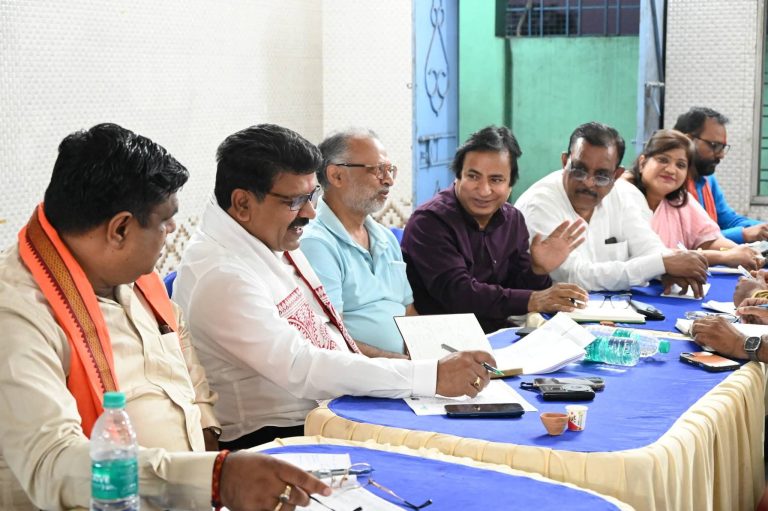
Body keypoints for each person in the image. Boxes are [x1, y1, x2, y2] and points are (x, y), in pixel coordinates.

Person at [0, 123, 329, 511]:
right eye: (165, 220)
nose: (173, 230)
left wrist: (209, 451)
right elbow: (51, 463)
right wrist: (215, 479)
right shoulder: (18, 315)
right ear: (120, 229)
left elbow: (184, 357)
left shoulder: (132, 275)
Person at [174, 124, 495, 450]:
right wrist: (428, 376)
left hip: (331, 407)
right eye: (296, 200)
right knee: (450, 450)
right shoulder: (223, 275)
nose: (311, 212)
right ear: (242, 203)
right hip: (275, 436)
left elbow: (329, 331)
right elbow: (302, 366)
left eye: (312, 195)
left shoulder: (266, 234)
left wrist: (416, 373)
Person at [401, 125, 588, 334]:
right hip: (440, 338)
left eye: (496, 180)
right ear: (458, 176)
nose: (483, 190)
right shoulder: (429, 222)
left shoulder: (513, 219)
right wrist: (532, 299)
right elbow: (458, 294)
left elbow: (521, 289)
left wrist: (538, 270)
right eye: (473, 177)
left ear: (510, 185)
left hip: (496, 334)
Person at [515, 121, 709, 296]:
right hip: (546, 315)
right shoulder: (539, 204)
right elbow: (573, 276)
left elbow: (649, 248)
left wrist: (664, 270)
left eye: (601, 175)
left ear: (616, 175)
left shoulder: (625, 194)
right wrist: (660, 265)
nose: (588, 183)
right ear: (565, 162)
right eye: (579, 170)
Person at [301, 128, 412, 354]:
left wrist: (425, 356)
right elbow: (330, 337)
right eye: (378, 170)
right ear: (336, 176)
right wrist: (402, 364)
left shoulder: (385, 238)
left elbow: (408, 310)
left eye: (390, 170)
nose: (389, 180)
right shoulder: (316, 243)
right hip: (363, 371)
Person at [621, 128, 763, 269]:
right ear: (642, 163)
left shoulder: (680, 200)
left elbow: (708, 240)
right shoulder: (623, 196)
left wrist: (743, 253)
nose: (671, 170)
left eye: (680, 165)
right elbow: (653, 256)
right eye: (663, 160)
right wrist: (723, 256)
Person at [673, 107, 768, 243]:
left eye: (722, 147)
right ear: (688, 141)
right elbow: (688, 240)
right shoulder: (671, 183)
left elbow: (728, 220)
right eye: (714, 145)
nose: (721, 155)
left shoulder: (707, 179)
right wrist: (742, 234)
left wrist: (763, 229)